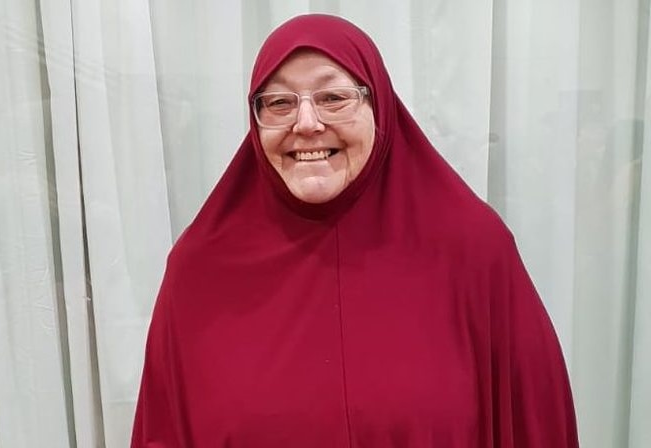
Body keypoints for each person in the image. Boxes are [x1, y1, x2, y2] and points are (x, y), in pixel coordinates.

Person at [131, 14, 579, 447]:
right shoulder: (202, 271)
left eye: (333, 98)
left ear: (379, 104)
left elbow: (535, 425)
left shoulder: (471, 251)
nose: (306, 123)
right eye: (280, 102)